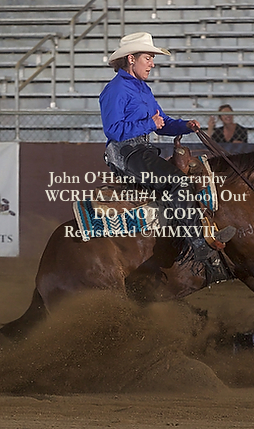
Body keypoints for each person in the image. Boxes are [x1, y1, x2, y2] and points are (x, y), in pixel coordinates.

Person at [99, 32, 234, 283]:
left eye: (152, 59)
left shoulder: (143, 89)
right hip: (125, 153)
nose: (152, 64)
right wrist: (148, 124)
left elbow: (162, 123)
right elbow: (113, 130)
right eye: (148, 58)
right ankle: (198, 244)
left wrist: (184, 126)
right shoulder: (115, 90)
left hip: (141, 151)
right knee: (178, 182)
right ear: (131, 59)